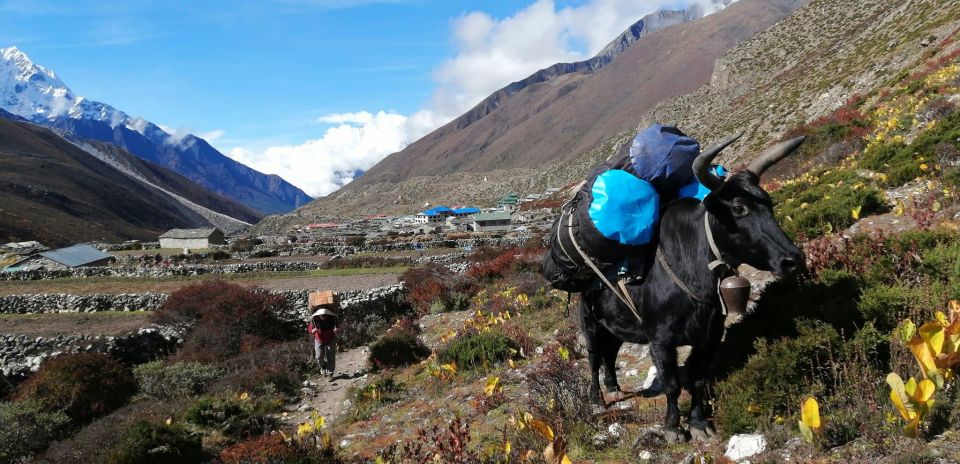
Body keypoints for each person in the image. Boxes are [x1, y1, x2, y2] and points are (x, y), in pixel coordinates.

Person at [307, 305, 338, 377]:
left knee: (331, 355)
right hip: (319, 339)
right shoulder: (314, 320)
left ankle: (330, 373)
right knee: (318, 356)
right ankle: (323, 365)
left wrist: (336, 329)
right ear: (318, 315)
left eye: (324, 315)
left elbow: (336, 326)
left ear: (327, 315)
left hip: (330, 338)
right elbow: (310, 329)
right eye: (321, 316)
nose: (323, 317)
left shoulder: (332, 318)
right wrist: (312, 331)